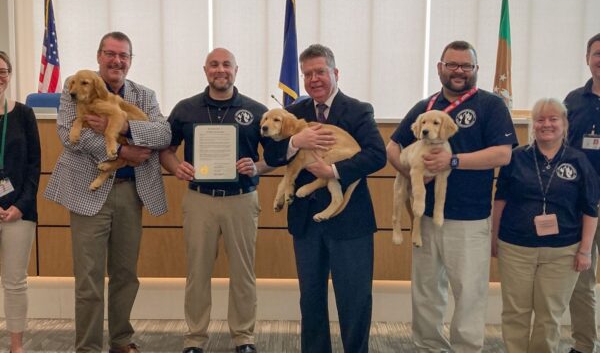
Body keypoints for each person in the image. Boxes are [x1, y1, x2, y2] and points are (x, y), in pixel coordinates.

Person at [44, 32, 171, 353]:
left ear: (130, 60)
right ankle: (87, 347)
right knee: (88, 279)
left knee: (126, 275)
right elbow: (68, 134)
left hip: (131, 193)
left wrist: (125, 127)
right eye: (110, 54)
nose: (117, 61)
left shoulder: (144, 95)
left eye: (123, 56)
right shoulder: (73, 88)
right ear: (99, 56)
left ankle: (120, 341)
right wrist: (119, 152)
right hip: (88, 194)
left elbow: (162, 132)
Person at [387, 40, 517, 353]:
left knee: (469, 292)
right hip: (427, 217)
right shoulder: (425, 107)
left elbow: (503, 154)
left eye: (466, 66)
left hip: (470, 219)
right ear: (440, 68)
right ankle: (429, 346)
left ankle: (466, 348)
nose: (459, 71)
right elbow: (392, 146)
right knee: (427, 291)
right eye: (452, 65)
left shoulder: (491, 105)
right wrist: (411, 172)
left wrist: (453, 161)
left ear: (475, 70)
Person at [263, 44, 387, 353]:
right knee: (311, 299)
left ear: (335, 73)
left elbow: (376, 156)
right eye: (308, 74)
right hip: (305, 221)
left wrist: (332, 170)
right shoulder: (293, 113)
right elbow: (274, 154)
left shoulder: (358, 110)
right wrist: (295, 141)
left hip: (350, 221)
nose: (314, 79)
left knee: (354, 299)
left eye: (320, 72)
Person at [160, 48, 271, 353]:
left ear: (237, 69)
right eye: (214, 65)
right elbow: (166, 151)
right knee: (197, 272)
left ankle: (244, 338)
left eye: (226, 65)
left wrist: (257, 167)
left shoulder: (257, 110)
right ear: (205, 70)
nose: (220, 70)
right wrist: (175, 167)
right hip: (200, 200)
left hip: (242, 199)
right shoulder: (185, 109)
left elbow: (276, 156)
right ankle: (195, 339)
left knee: (243, 273)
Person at [492, 98, 599, 352]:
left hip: (562, 252)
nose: (546, 124)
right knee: (515, 312)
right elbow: (500, 200)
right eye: (540, 119)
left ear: (564, 124)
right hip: (516, 248)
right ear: (533, 125)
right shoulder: (517, 157)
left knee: (548, 316)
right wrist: (493, 237)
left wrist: (585, 250)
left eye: (553, 119)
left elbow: (590, 209)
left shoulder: (578, 160)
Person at [0, 51, 40, 353]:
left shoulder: (24, 114)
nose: (0, 76)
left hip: (19, 211)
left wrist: (21, 205)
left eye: (4, 70)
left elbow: (33, 166)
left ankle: (16, 346)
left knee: (15, 282)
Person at [565, 32, 600, 353]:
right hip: (582, 203)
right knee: (583, 278)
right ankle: (585, 344)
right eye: (597, 53)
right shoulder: (573, 101)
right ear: (588, 59)